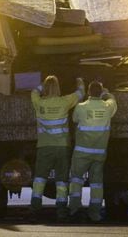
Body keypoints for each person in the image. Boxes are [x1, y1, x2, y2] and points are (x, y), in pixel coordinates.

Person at [30, 75, 84, 221]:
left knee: (40, 179)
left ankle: (35, 210)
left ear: (45, 89)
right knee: (61, 180)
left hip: (44, 147)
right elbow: (81, 93)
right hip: (62, 147)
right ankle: (61, 211)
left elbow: (34, 91)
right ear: (58, 87)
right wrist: (79, 81)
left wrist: (43, 85)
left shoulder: (39, 102)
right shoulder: (64, 101)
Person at [68, 81, 117, 223]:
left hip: (82, 153)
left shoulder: (81, 107)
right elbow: (113, 100)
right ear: (100, 92)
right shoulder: (108, 107)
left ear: (89, 92)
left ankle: (75, 209)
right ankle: (94, 213)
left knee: (76, 179)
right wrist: (107, 93)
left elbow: (74, 119)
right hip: (99, 153)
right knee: (96, 183)